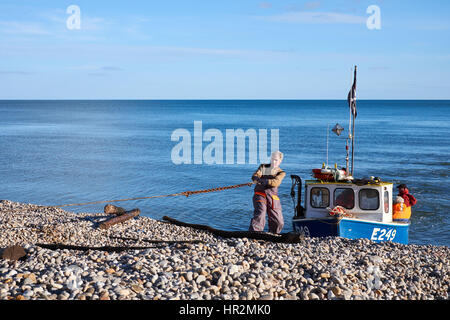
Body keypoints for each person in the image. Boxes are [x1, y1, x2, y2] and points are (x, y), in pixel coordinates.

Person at [249, 151, 286, 234]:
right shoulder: (263, 167)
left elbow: (276, 182)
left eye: (276, 160)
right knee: (261, 213)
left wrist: (266, 181)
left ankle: (274, 234)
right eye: (272, 159)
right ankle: (254, 233)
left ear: (280, 161)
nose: (273, 162)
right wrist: (256, 178)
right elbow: (255, 175)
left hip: (273, 197)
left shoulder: (281, 173)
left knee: (278, 220)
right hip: (260, 194)